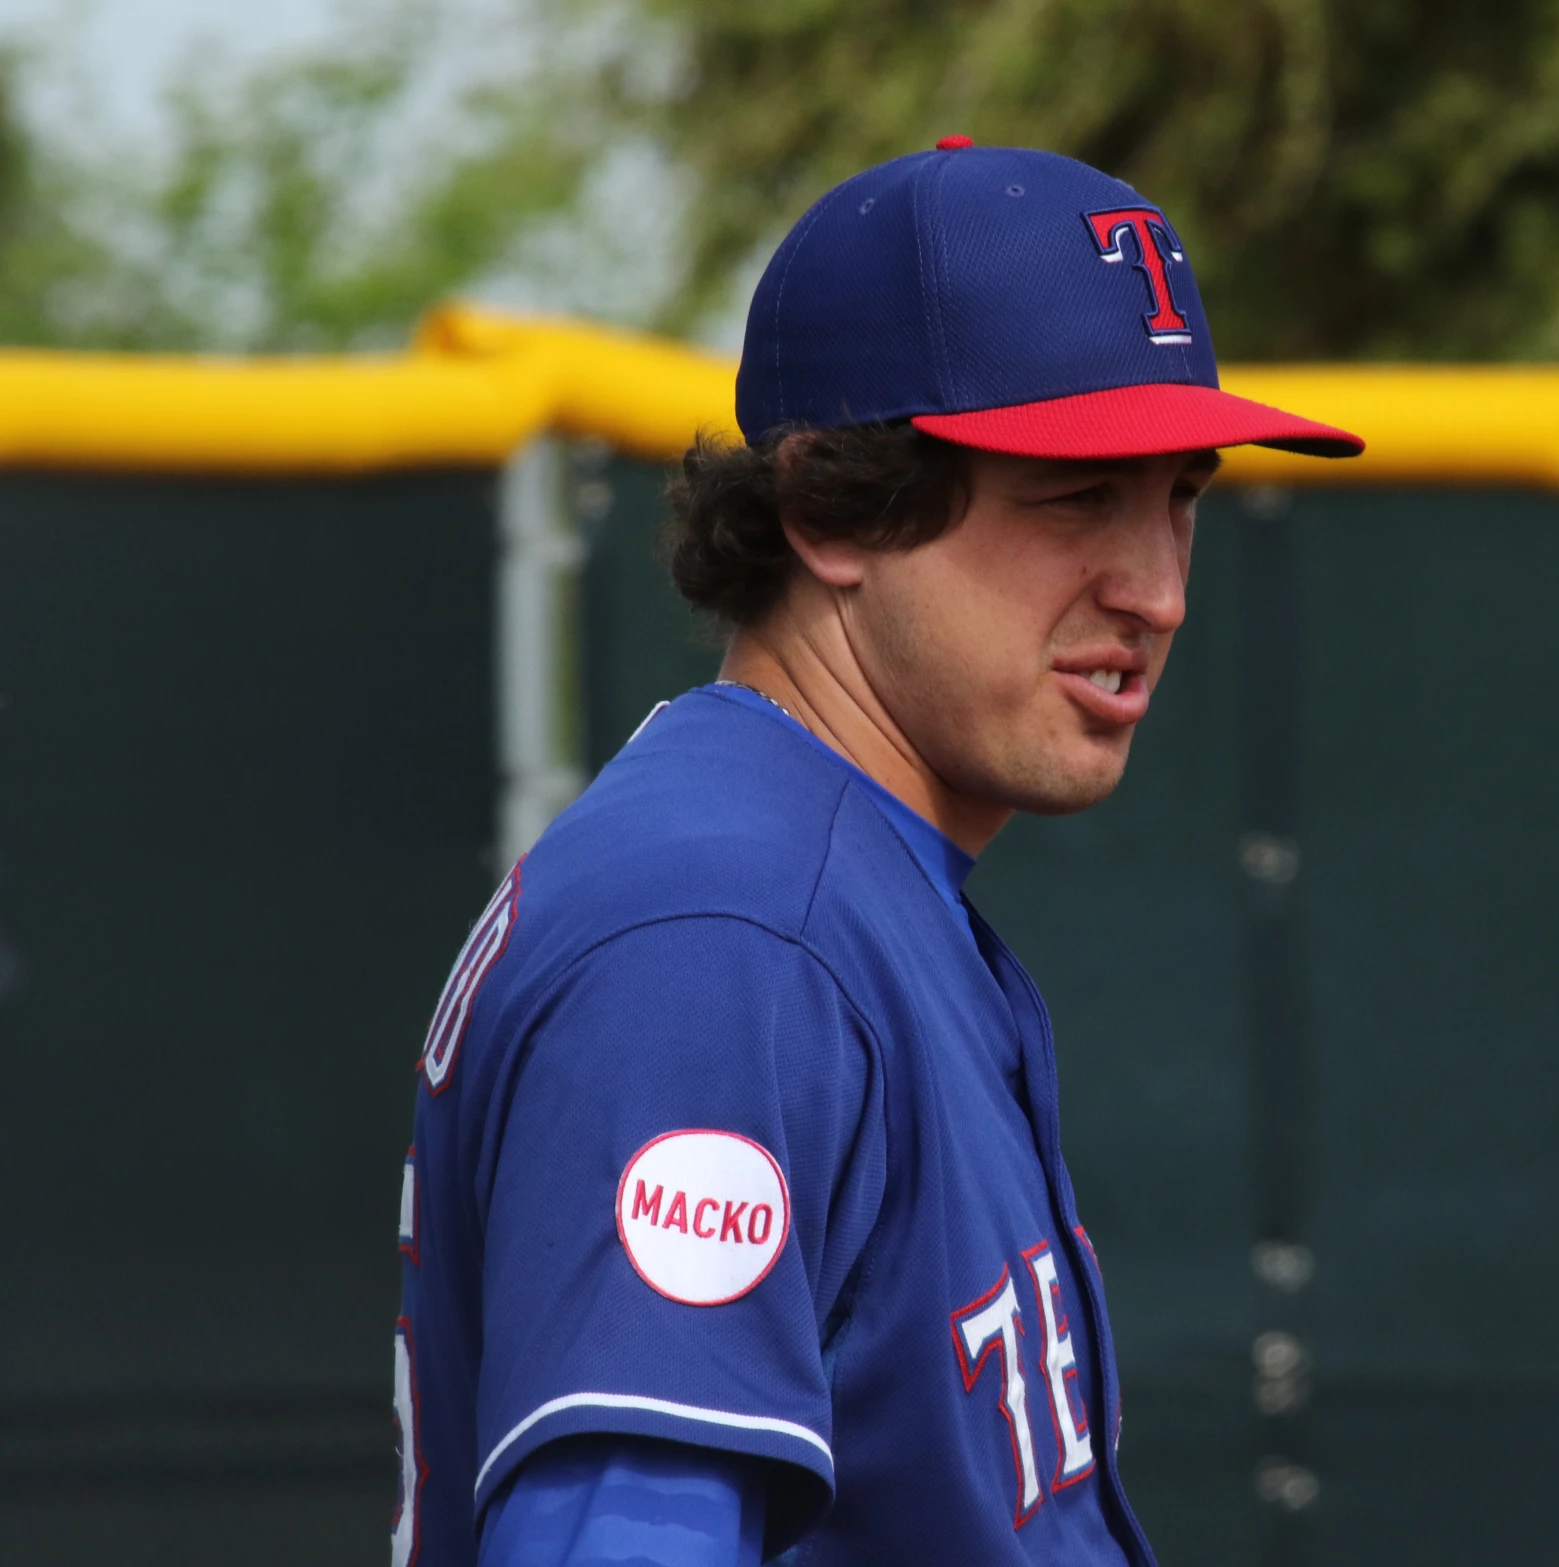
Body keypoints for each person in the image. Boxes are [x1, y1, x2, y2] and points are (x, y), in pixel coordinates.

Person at [391, 139, 1362, 1567]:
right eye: (1075, 494)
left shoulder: (832, 880)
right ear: (832, 506)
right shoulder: (725, 941)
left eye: (1180, 494)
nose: (1153, 588)